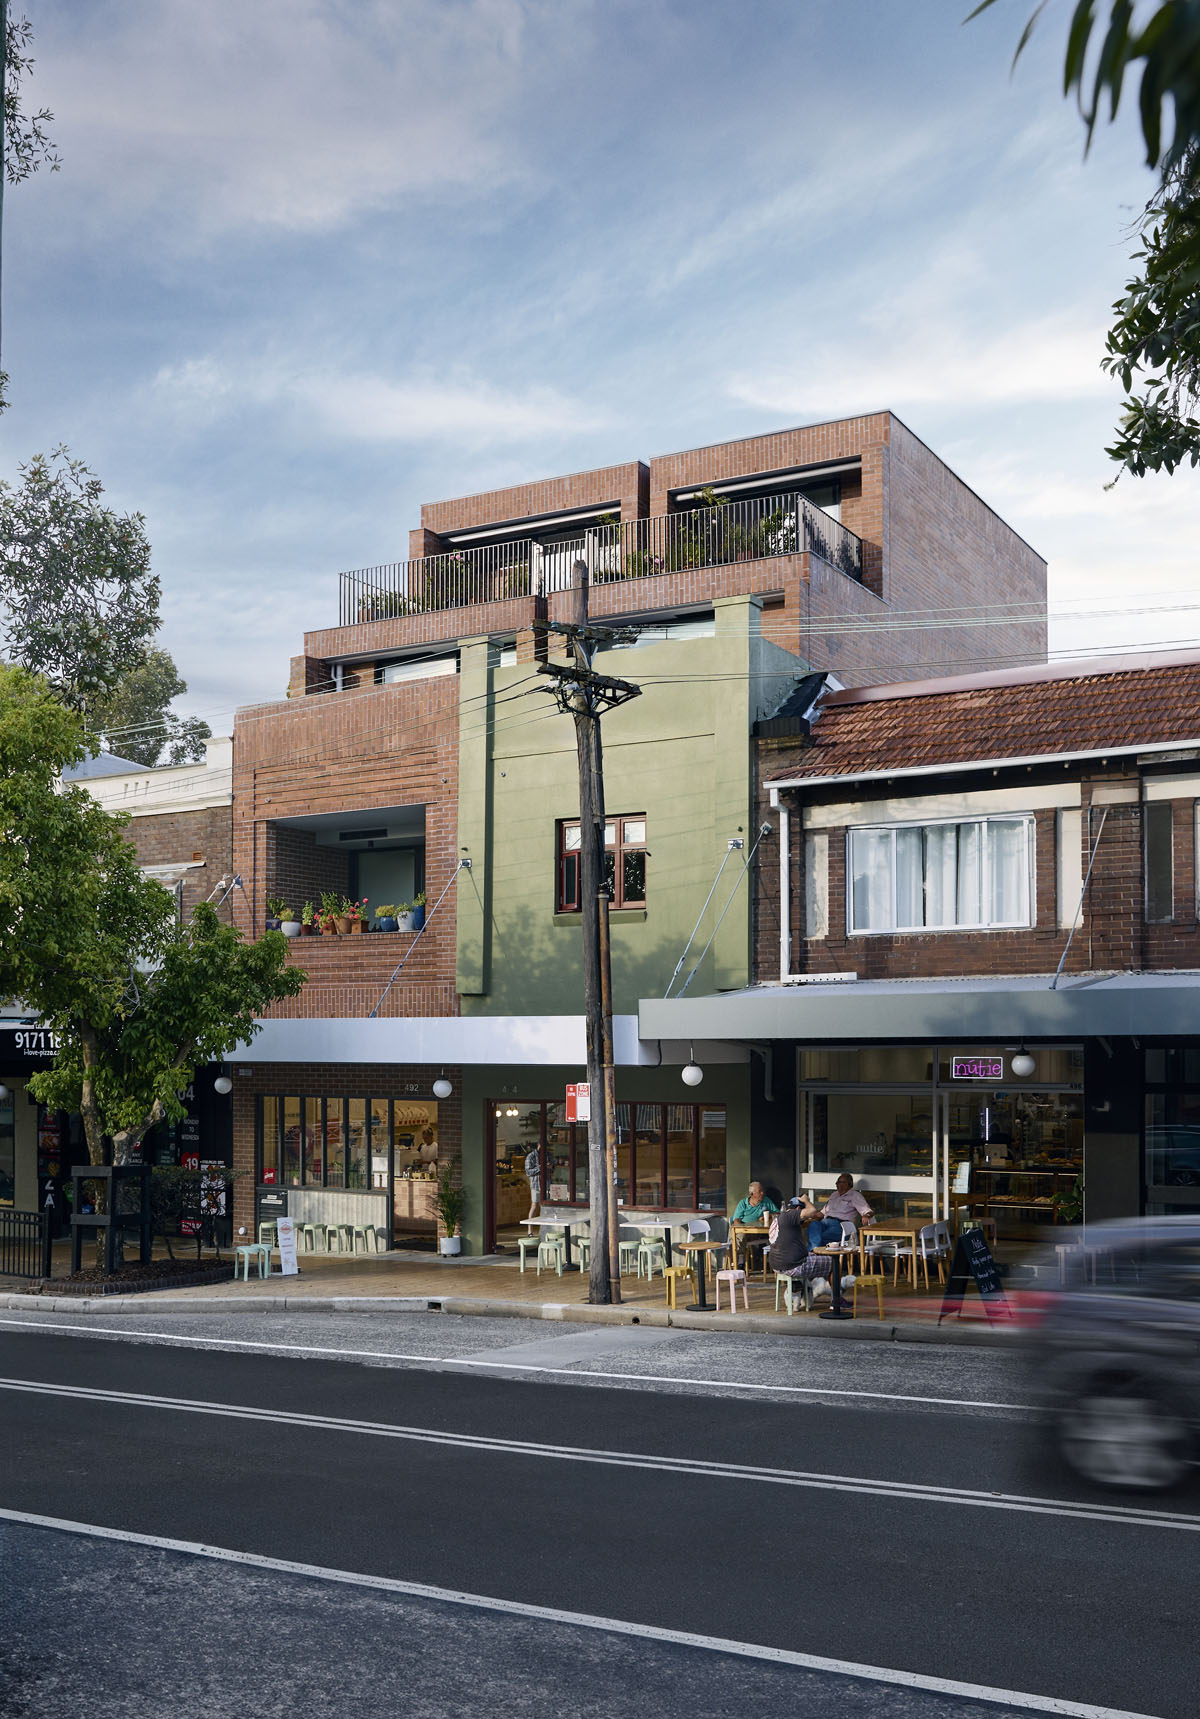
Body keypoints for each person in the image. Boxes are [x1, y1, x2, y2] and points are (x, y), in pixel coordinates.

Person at [770, 1196, 850, 1301]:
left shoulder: (779, 1218)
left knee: (814, 1256)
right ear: (799, 1209)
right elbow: (812, 1212)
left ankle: (806, 1290)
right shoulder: (792, 1215)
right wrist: (806, 1201)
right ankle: (837, 1300)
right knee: (833, 1264)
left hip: (777, 1264)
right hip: (793, 1265)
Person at [807, 1173, 874, 1250]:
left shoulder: (855, 1195)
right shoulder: (834, 1195)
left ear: (847, 1184)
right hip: (825, 1222)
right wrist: (808, 1215)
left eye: (839, 1182)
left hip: (841, 1225)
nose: (836, 1184)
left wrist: (866, 1216)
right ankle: (815, 1253)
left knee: (819, 1236)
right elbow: (822, 1213)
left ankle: (813, 1253)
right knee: (813, 1225)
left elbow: (868, 1211)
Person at [730, 1181, 779, 1275]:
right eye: (760, 1191)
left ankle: (773, 1263)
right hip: (744, 1231)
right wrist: (741, 1227)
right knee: (739, 1235)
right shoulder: (743, 1203)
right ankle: (740, 1264)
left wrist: (769, 1216)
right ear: (752, 1194)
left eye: (762, 1190)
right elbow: (736, 1219)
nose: (762, 1193)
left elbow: (777, 1213)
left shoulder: (766, 1201)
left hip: (757, 1233)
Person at [524, 1142, 544, 1220]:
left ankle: (544, 1229)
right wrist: (540, 1168)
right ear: (538, 1145)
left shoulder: (548, 1154)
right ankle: (530, 1230)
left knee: (545, 1206)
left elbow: (553, 1167)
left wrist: (550, 1167)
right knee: (534, 1206)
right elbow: (528, 1172)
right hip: (536, 1184)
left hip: (547, 1184)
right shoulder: (531, 1156)